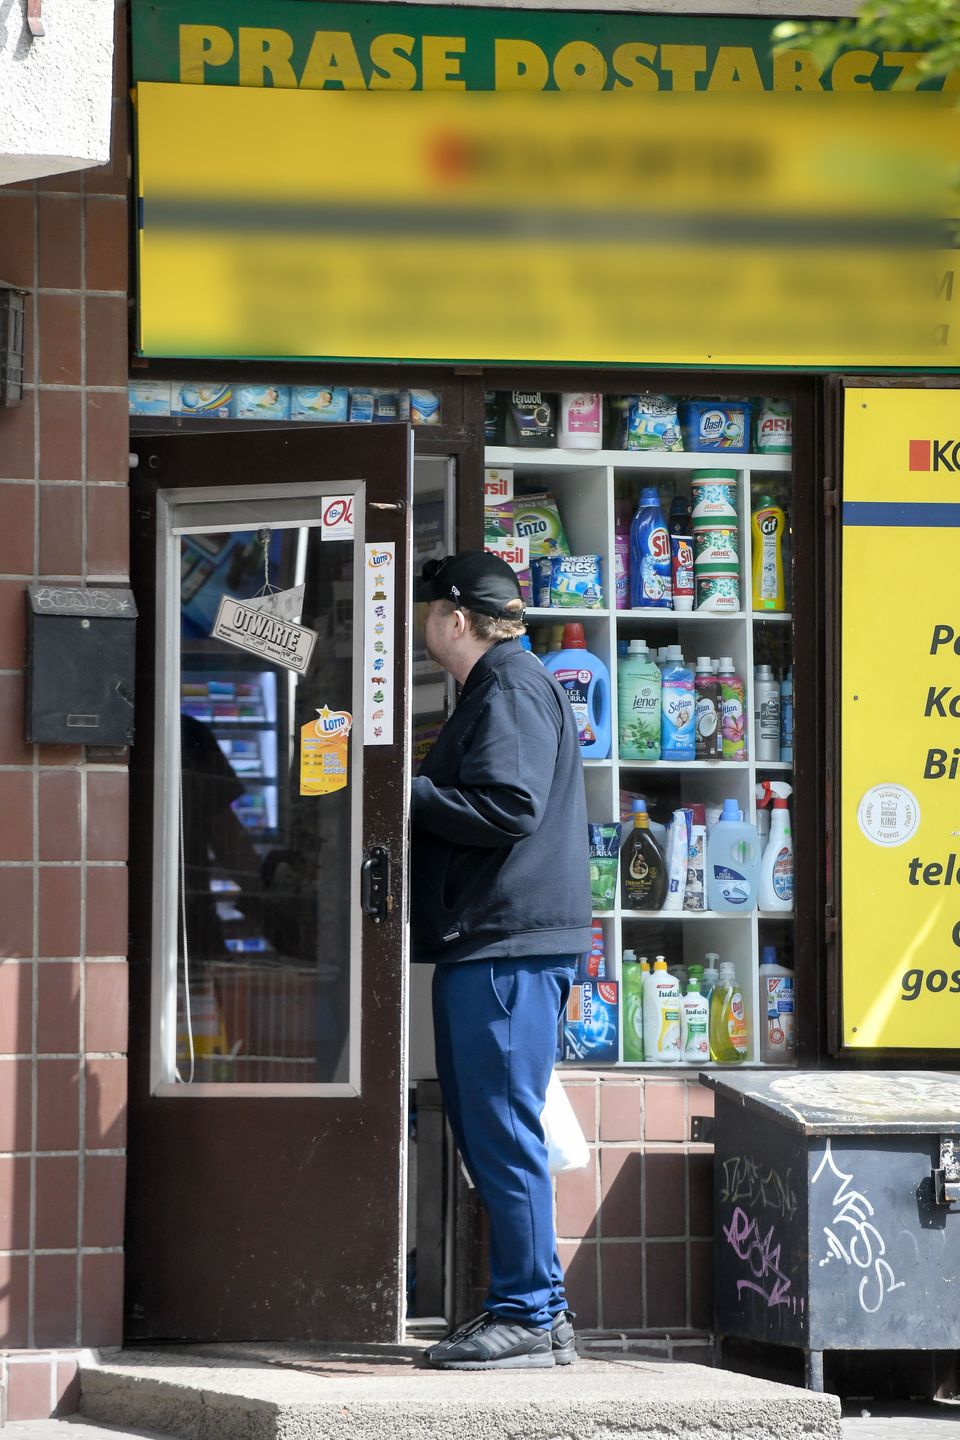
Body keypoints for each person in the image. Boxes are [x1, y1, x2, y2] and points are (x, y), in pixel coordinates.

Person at [411, 551, 591, 1370]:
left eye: (428, 612)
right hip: (495, 943)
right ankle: (537, 1311)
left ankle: (528, 1313)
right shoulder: (503, 684)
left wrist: (404, 791)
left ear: (455, 619)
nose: (422, 625)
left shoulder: (511, 686)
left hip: (509, 946)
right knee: (494, 1128)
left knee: (503, 1130)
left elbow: (510, 806)